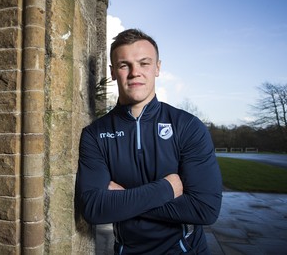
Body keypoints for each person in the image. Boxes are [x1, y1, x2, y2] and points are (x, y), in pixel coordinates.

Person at [75, 28, 222, 254]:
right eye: (125, 65)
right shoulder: (95, 134)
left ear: (157, 68)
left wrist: (122, 198)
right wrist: (166, 188)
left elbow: (205, 209)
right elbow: (94, 208)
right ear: (113, 72)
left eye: (144, 63)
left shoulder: (188, 126)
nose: (135, 73)